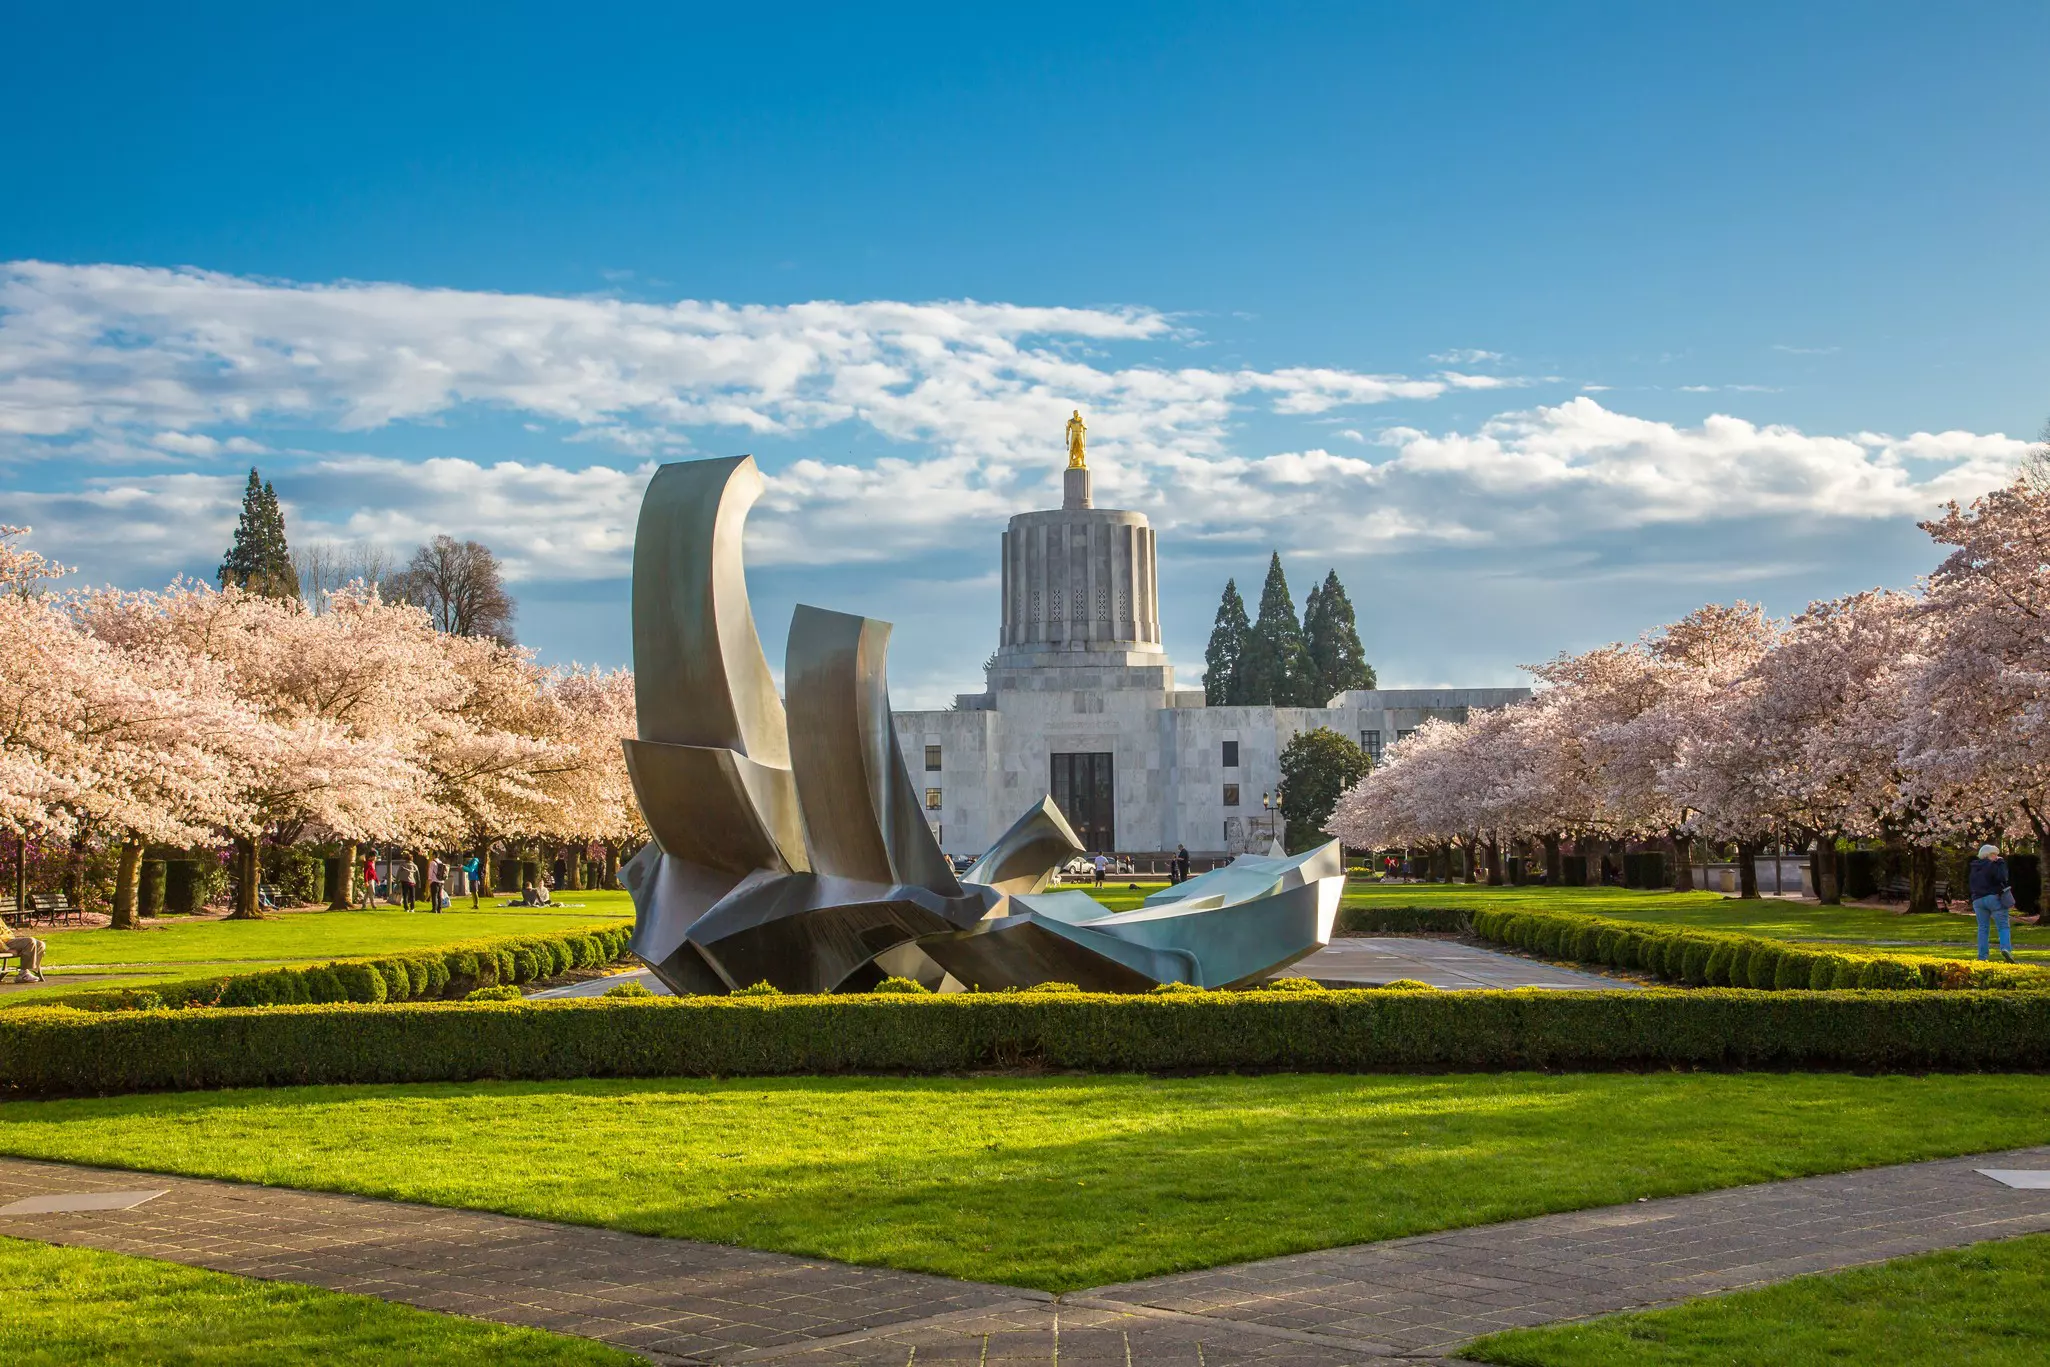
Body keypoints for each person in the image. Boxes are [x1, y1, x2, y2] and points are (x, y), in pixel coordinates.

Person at [1969, 843, 2015, 962]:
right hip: (1993, 898)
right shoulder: (1993, 865)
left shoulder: (1974, 867)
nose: (1996, 857)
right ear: (1988, 855)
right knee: (2003, 926)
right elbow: (2003, 878)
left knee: (1983, 928)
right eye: (1994, 855)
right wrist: (2001, 863)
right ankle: (2006, 949)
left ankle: (1982, 956)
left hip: (1978, 900)